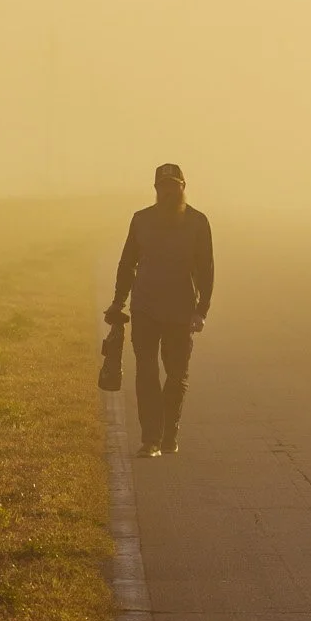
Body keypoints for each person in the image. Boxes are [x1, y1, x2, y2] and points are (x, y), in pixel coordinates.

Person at [105, 164, 213, 457]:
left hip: (181, 310)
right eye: (163, 186)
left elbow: (206, 269)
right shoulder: (141, 220)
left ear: (183, 186)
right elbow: (127, 263)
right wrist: (119, 301)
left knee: (176, 375)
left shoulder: (198, 222)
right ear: (155, 189)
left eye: (174, 186)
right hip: (145, 308)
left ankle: (170, 432)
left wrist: (201, 310)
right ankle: (150, 438)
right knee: (147, 371)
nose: (168, 192)